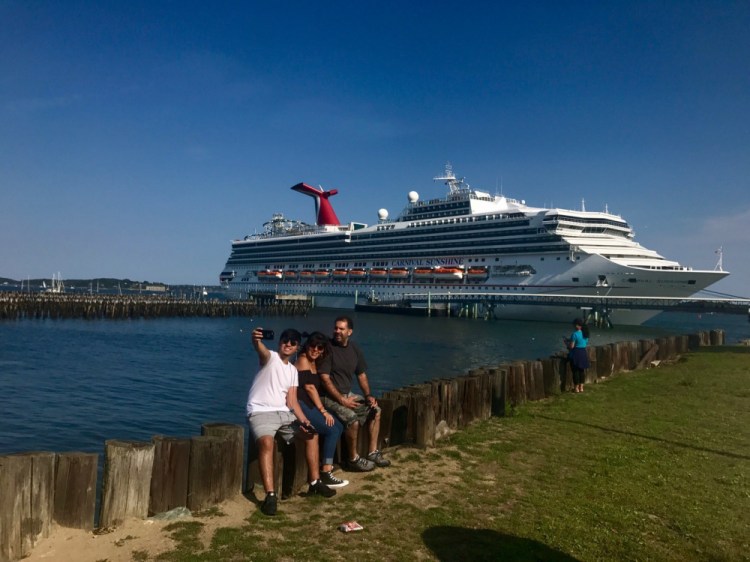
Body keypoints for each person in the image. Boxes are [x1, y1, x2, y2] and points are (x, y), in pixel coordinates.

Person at [246, 327, 335, 516]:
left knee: (312, 434)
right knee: (267, 442)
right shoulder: (270, 358)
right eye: (285, 340)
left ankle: (314, 482)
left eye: (293, 342)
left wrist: (303, 420)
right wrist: (256, 340)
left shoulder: (293, 371)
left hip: (283, 413)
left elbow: (292, 401)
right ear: (279, 343)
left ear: (297, 348)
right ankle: (271, 495)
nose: (288, 344)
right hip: (261, 411)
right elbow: (260, 349)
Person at [318, 316, 390, 471]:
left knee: (375, 410)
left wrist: (368, 395)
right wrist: (342, 401)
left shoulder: (354, 349)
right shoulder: (328, 348)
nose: (337, 331)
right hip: (327, 397)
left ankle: (372, 452)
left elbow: (361, 374)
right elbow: (324, 379)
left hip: (346, 393)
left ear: (349, 332)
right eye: (335, 328)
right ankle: (353, 459)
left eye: (341, 329)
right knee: (352, 419)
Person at [295, 331, 349, 488]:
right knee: (332, 429)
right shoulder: (303, 359)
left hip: (309, 403)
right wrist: (323, 411)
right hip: (301, 404)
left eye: (320, 347)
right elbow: (310, 388)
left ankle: (327, 465)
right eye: (313, 346)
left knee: (338, 426)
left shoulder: (315, 361)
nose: (316, 350)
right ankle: (325, 472)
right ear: (307, 345)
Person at [565, 318, 590, 393]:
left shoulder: (574, 334)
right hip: (583, 352)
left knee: (575, 371)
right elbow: (583, 343)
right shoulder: (585, 333)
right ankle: (581, 387)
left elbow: (571, 346)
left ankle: (576, 388)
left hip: (576, 353)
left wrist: (566, 343)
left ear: (577, 325)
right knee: (581, 370)